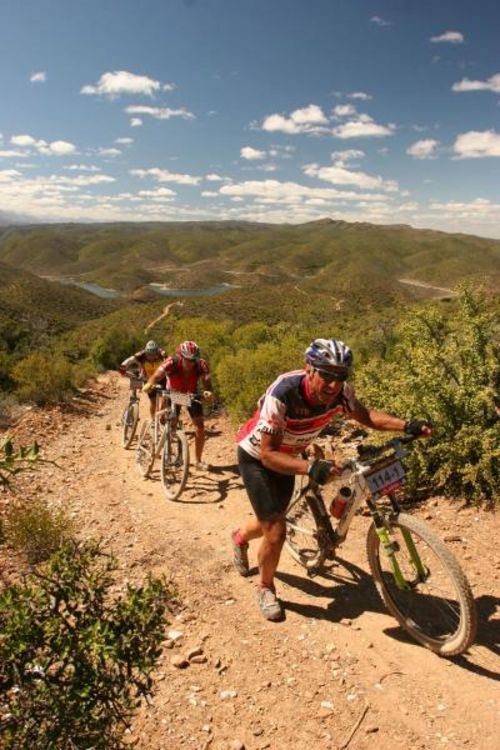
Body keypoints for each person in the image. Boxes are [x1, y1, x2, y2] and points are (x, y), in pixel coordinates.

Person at [231, 338, 432, 622]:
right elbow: (268, 454)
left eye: (340, 376)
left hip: (291, 452)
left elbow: (366, 415)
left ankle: (239, 537)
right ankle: (265, 587)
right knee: (276, 530)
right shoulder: (284, 392)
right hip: (259, 458)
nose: (334, 384)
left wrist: (406, 424)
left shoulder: (341, 393)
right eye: (326, 374)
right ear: (309, 369)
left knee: (273, 518)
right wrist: (310, 467)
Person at [143, 340, 213, 471]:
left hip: (190, 395)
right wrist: (150, 383)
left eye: (193, 360)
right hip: (172, 393)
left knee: (200, 428)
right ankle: (165, 446)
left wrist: (207, 390)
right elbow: (157, 375)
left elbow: (206, 380)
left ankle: (198, 461)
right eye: (187, 360)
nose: (190, 363)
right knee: (169, 422)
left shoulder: (201, 364)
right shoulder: (172, 361)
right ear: (181, 356)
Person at [119, 340, 166, 418]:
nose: (151, 357)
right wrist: (122, 367)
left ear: (157, 353)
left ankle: (163, 416)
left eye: (154, 355)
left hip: (161, 379)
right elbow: (130, 360)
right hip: (148, 380)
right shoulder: (141, 355)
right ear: (145, 353)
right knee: (153, 402)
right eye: (149, 355)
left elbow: (170, 363)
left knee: (165, 399)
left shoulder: (162, 354)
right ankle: (153, 420)